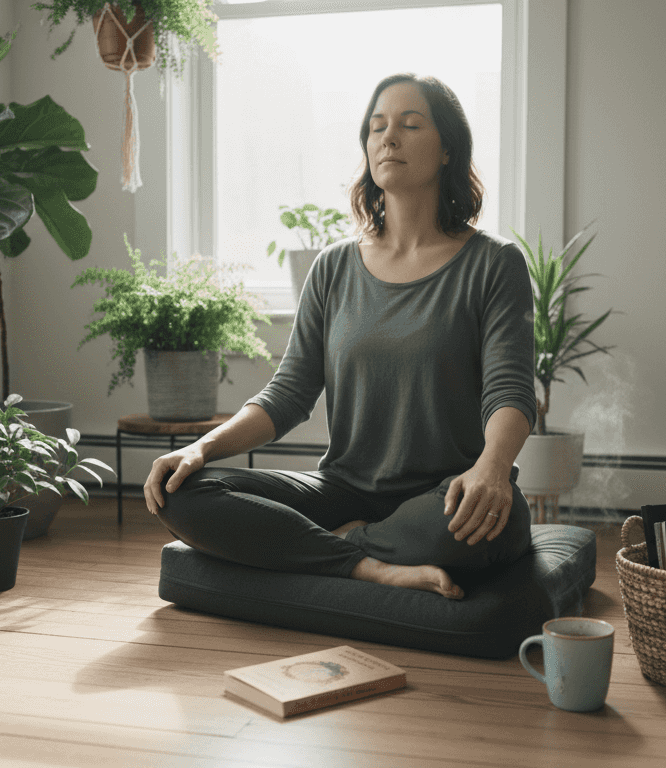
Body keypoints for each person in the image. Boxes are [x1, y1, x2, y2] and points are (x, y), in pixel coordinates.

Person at [145, 73, 537, 600]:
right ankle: (365, 563)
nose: (387, 138)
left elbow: (509, 392)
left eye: (409, 124)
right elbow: (287, 395)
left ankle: (316, 550)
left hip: (444, 494)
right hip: (343, 492)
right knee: (181, 493)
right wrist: (200, 449)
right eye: (377, 128)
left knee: (492, 523)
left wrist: (491, 470)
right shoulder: (333, 267)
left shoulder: (494, 264)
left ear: (447, 149)